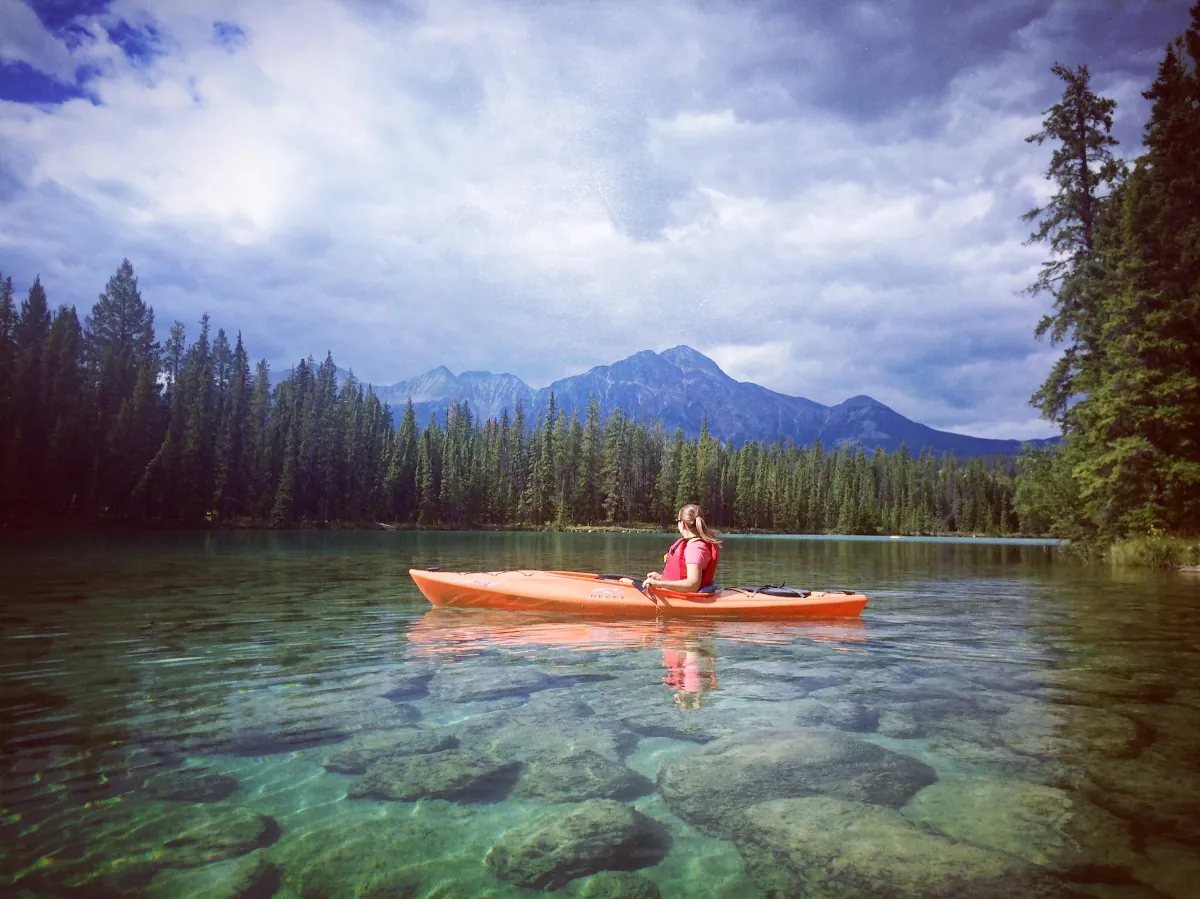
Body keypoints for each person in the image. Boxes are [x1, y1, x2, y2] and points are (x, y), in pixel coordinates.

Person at [642, 503, 722, 593]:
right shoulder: (695, 545)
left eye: (678, 520)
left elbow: (693, 585)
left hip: (687, 598)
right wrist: (661, 578)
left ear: (683, 523)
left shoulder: (695, 549)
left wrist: (659, 584)